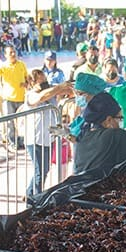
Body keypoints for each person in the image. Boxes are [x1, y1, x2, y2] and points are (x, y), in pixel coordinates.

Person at [21, 70, 72, 199]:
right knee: (40, 171)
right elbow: (41, 97)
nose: (45, 83)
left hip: (48, 138)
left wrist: (68, 87)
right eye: (41, 81)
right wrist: (59, 87)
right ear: (32, 82)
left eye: (45, 81)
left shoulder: (51, 93)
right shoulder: (30, 95)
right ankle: (36, 199)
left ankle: (30, 194)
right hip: (35, 138)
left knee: (44, 169)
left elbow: (64, 92)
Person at [0, 45, 28, 150]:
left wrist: (25, 84)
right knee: (10, 122)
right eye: (10, 53)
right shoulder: (3, 66)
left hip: (21, 97)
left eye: (14, 52)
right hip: (8, 98)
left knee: (22, 122)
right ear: (6, 55)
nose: (13, 54)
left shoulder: (21, 64)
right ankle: (13, 142)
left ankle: (22, 141)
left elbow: (27, 78)